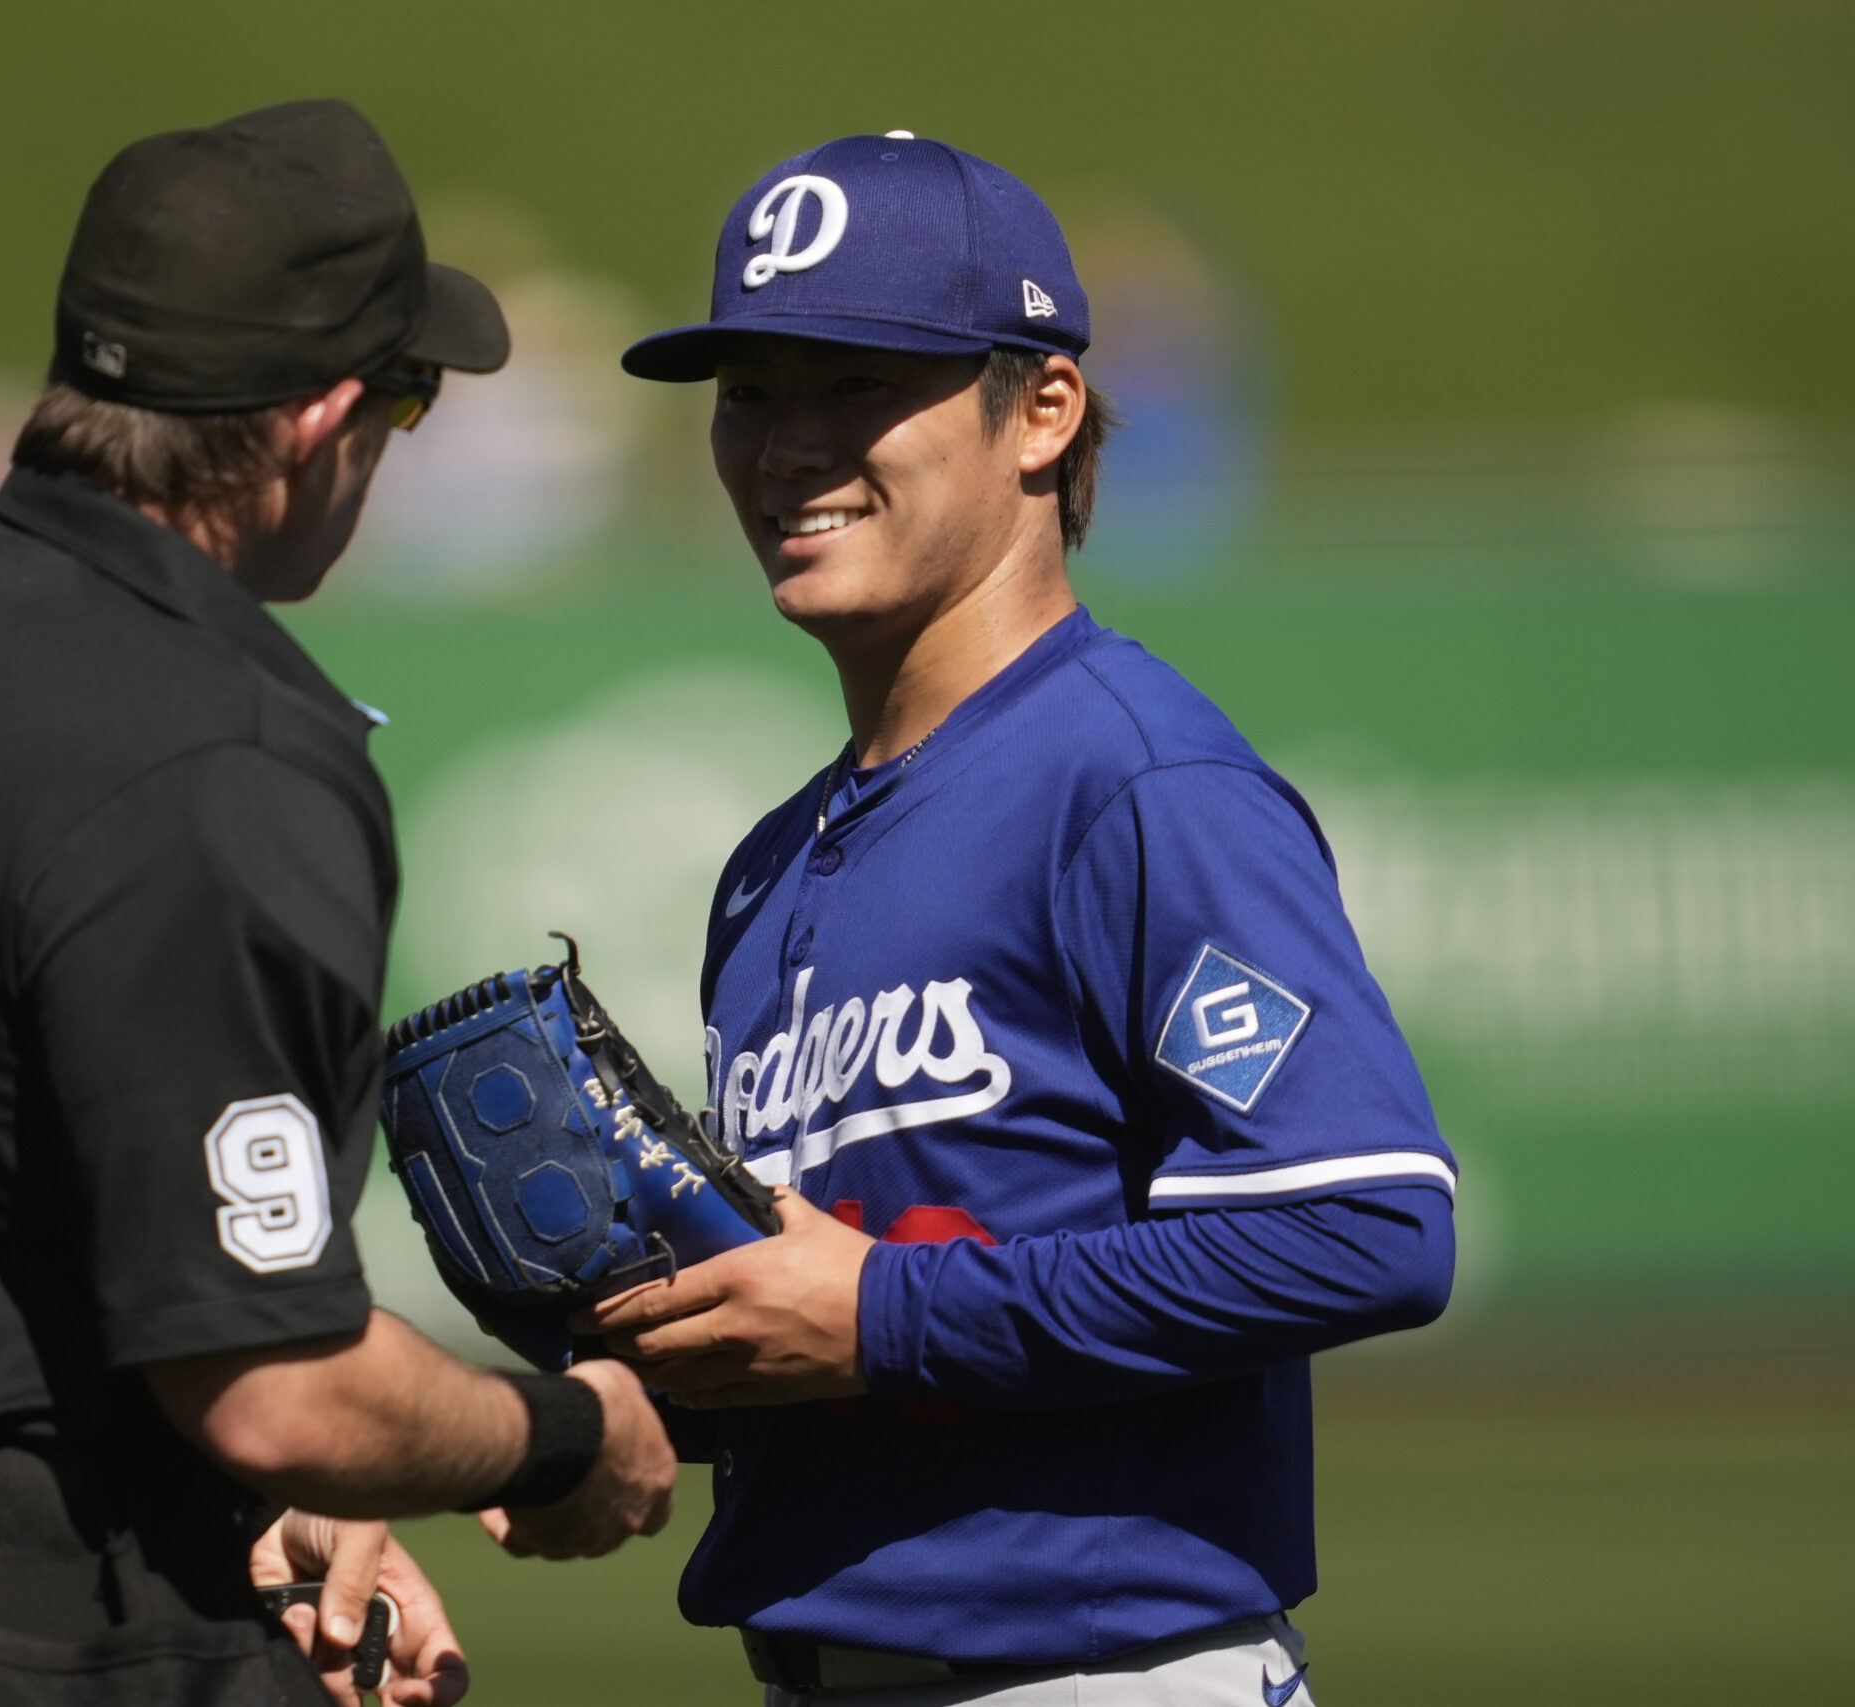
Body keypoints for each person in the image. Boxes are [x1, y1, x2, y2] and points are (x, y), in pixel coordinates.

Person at [0, 99, 674, 1707]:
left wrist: (250, 1508)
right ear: (319, 422)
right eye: (405, 400)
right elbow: (274, 1387)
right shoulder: (218, 747)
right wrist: (559, 1437)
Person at [588, 132, 1458, 1705]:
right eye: (751, 392)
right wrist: (620, 1381)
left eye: (855, 385)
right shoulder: (773, 860)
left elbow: (1367, 1226)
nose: (788, 448)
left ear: (1043, 408)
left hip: (1103, 1672)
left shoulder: (1132, 779)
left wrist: (883, 1317)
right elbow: (859, 1315)